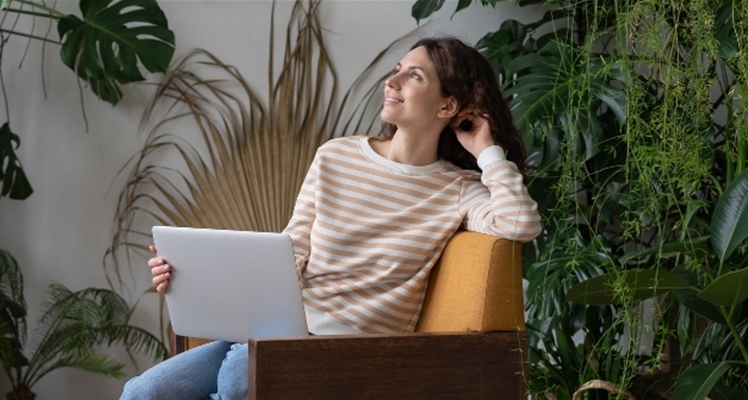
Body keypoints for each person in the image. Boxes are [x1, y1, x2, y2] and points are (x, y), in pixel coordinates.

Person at [120, 37, 542, 400]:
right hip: (278, 329)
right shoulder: (336, 155)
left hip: (346, 349)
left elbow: (520, 224)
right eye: (397, 70)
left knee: (236, 383)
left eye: (414, 76)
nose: (391, 83)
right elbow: (293, 248)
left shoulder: (458, 189)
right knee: (142, 392)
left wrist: (486, 150)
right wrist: (193, 279)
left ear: (448, 105)